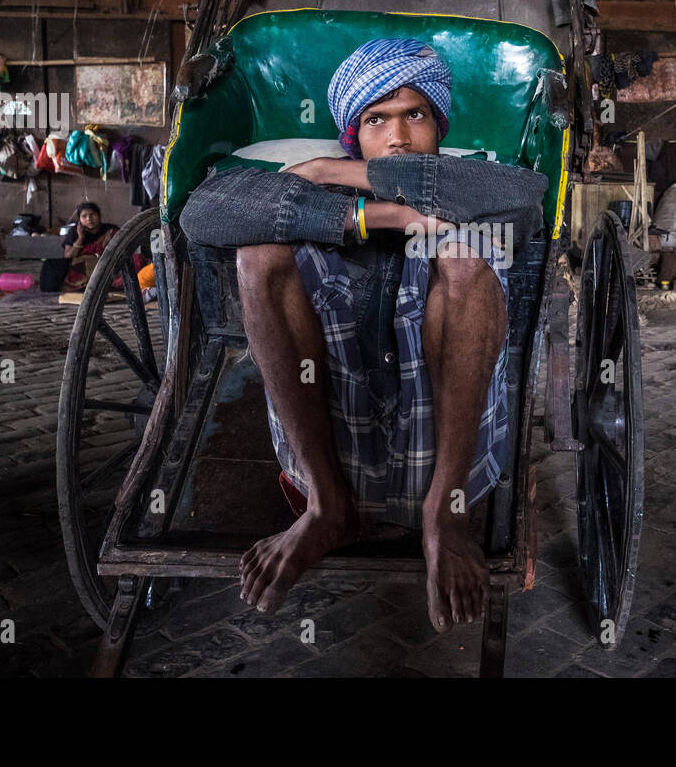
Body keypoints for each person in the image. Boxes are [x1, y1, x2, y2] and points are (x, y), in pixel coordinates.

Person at [180, 38, 547, 633]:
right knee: (259, 256)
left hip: (446, 462)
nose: (398, 136)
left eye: (415, 115)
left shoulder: (473, 178)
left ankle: (441, 518)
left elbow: (525, 201)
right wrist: (367, 207)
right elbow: (202, 215)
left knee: (464, 257)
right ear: (352, 132)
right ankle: (328, 509)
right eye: (376, 120)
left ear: (438, 123)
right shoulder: (315, 184)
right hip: (330, 454)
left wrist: (379, 181)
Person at [60, 202, 118, 292]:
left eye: (92, 215)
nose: (89, 219)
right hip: (83, 269)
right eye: (84, 216)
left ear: (99, 216)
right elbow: (68, 256)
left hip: (106, 266)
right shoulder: (74, 232)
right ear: (79, 219)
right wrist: (80, 238)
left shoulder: (110, 230)